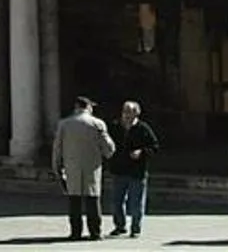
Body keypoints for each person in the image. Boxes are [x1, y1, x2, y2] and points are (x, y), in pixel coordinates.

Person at [54, 96, 113, 239]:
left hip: (72, 167)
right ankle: (95, 232)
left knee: (74, 201)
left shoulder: (64, 124)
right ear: (88, 107)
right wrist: (106, 154)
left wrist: (57, 167)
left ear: (76, 107)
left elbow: (57, 148)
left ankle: (75, 232)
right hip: (92, 167)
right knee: (92, 200)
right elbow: (109, 147)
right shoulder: (97, 123)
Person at [106, 99, 160, 237]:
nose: (126, 115)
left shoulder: (143, 128)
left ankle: (135, 228)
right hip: (119, 170)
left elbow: (154, 147)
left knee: (136, 203)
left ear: (137, 113)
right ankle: (120, 226)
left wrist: (141, 152)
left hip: (137, 171)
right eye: (125, 111)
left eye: (130, 112)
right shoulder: (115, 126)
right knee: (117, 201)